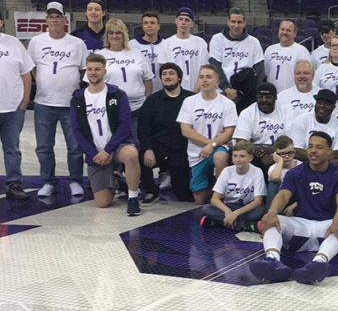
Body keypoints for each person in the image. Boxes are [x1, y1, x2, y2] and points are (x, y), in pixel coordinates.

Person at [249, 131, 338, 285]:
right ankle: (273, 261)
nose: (313, 151)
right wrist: (272, 212)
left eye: (319, 147)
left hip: (326, 227)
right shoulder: (296, 172)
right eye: (310, 146)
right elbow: (283, 194)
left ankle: (319, 263)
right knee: (273, 221)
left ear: (329, 151)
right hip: (300, 225)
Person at [28, 1, 87, 198]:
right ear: (46, 19)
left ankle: (75, 180)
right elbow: (32, 67)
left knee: (75, 146)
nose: (54, 20)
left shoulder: (77, 43)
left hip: (70, 103)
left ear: (64, 19)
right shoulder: (36, 42)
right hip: (44, 102)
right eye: (51, 16)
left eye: (58, 16)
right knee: (44, 146)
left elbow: (82, 70)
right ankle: (48, 181)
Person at [70, 54, 141, 215]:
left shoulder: (117, 94)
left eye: (97, 69)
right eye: (89, 69)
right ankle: (116, 181)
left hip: (116, 147)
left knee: (131, 154)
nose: (93, 73)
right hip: (95, 153)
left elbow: (124, 126)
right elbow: (77, 130)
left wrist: (107, 150)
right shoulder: (78, 99)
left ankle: (133, 198)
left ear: (104, 71)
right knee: (102, 203)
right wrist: (94, 153)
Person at [177, 64, 238, 205]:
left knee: (220, 156)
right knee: (199, 199)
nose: (204, 80)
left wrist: (213, 145)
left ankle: (222, 196)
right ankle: (213, 185)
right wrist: (208, 144)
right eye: (201, 77)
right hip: (197, 152)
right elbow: (185, 130)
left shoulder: (227, 104)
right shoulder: (189, 101)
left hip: (219, 146)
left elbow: (230, 131)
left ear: (217, 82)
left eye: (208, 77)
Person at [137, 63, 194, 205]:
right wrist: (148, 149)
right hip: (158, 149)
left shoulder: (192, 99)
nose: (167, 76)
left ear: (179, 77)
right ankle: (151, 191)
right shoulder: (151, 101)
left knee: (182, 196)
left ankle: (170, 175)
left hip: (182, 150)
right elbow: (143, 129)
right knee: (138, 156)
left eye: (171, 73)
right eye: (164, 74)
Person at [95, 18, 153, 135]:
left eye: (118, 33)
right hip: (110, 109)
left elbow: (148, 79)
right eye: (111, 33)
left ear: (124, 35)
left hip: (137, 109)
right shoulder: (100, 55)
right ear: (107, 36)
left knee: (135, 144)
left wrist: (147, 102)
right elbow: (92, 82)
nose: (114, 36)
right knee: (112, 144)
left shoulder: (136, 53)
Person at [0, 13, 34, 199]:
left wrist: (25, 99)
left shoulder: (13, 43)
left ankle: (13, 184)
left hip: (12, 108)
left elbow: (26, 72)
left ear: (1, 22)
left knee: (12, 148)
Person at [200, 140, 265, 232]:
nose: (238, 160)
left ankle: (219, 222)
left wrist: (236, 214)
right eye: (235, 156)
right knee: (206, 208)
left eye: (242, 156)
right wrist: (228, 212)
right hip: (229, 206)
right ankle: (244, 226)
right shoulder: (227, 171)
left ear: (250, 158)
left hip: (246, 208)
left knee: (261, 211)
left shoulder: (257, 172)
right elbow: (214, 199)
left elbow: (258, 201)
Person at [208, 7, 265, 110]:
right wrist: (226, 89)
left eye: (239, 22)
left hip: (246, 95)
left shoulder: (254, 42)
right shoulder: (217, 40)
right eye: (233, 22)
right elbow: (215, 68)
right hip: (222, 93)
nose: (236, 25)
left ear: (244, 23)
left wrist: (244, 93)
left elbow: (260, 71)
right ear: (228, 22)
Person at [233, 82, 288, 171]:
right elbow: (241, 140)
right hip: (256, 152)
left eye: (268, 97)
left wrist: (272, 150)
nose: (264, 100)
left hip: (281, 150)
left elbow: (291, 139)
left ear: (276, 98)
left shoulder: (286, 112)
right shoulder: (247, 113)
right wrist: (263, 154)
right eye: (260, 97)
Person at [288, 89, 338, 165]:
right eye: (319, 103)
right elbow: (296, 151)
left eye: (326, 104)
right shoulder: (301, 120)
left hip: (328, 168)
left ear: (333, 107)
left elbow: (337, 155)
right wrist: (321, 157)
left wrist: (315, 157)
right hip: (303, 165)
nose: (322, 106)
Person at [157, 7, 209, 92]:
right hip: (174, 92)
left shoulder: (200, 43)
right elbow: (165, 71)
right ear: (176, 21)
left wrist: (194, 92)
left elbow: (204, 70)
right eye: (181, 19)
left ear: (192, 23)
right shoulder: (166, 44)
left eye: (187, 20)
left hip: (196, 91)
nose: (183, 22)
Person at [264, 19, 311, 94]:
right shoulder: (269, 50)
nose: (284, 32)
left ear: (294, 33)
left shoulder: (301, 51)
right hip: (273, 96)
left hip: (293, 95)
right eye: (282, 29)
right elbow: (266, 74)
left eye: (288, 30)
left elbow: (307, 76)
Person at [129, 11, 165, 93]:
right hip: (140, 91)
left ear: (158, 26)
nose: (149, 26)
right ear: (142, 26)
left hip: (162, 90)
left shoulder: (166, 44)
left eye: (152, 23)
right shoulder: (131, 45)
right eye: (146, 23)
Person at [266, 135, 301, 212]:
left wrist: (294, 205)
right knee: (273, 183)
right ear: (276, 155)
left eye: (290, 153)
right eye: (282, 154)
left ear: (294, 153)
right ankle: (271, 214)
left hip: (298, 201)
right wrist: (280, 162)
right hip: (279, 201)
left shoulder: (301, 167)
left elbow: (306, 191)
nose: (287, 157)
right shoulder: (274, 168)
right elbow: (275, 178)